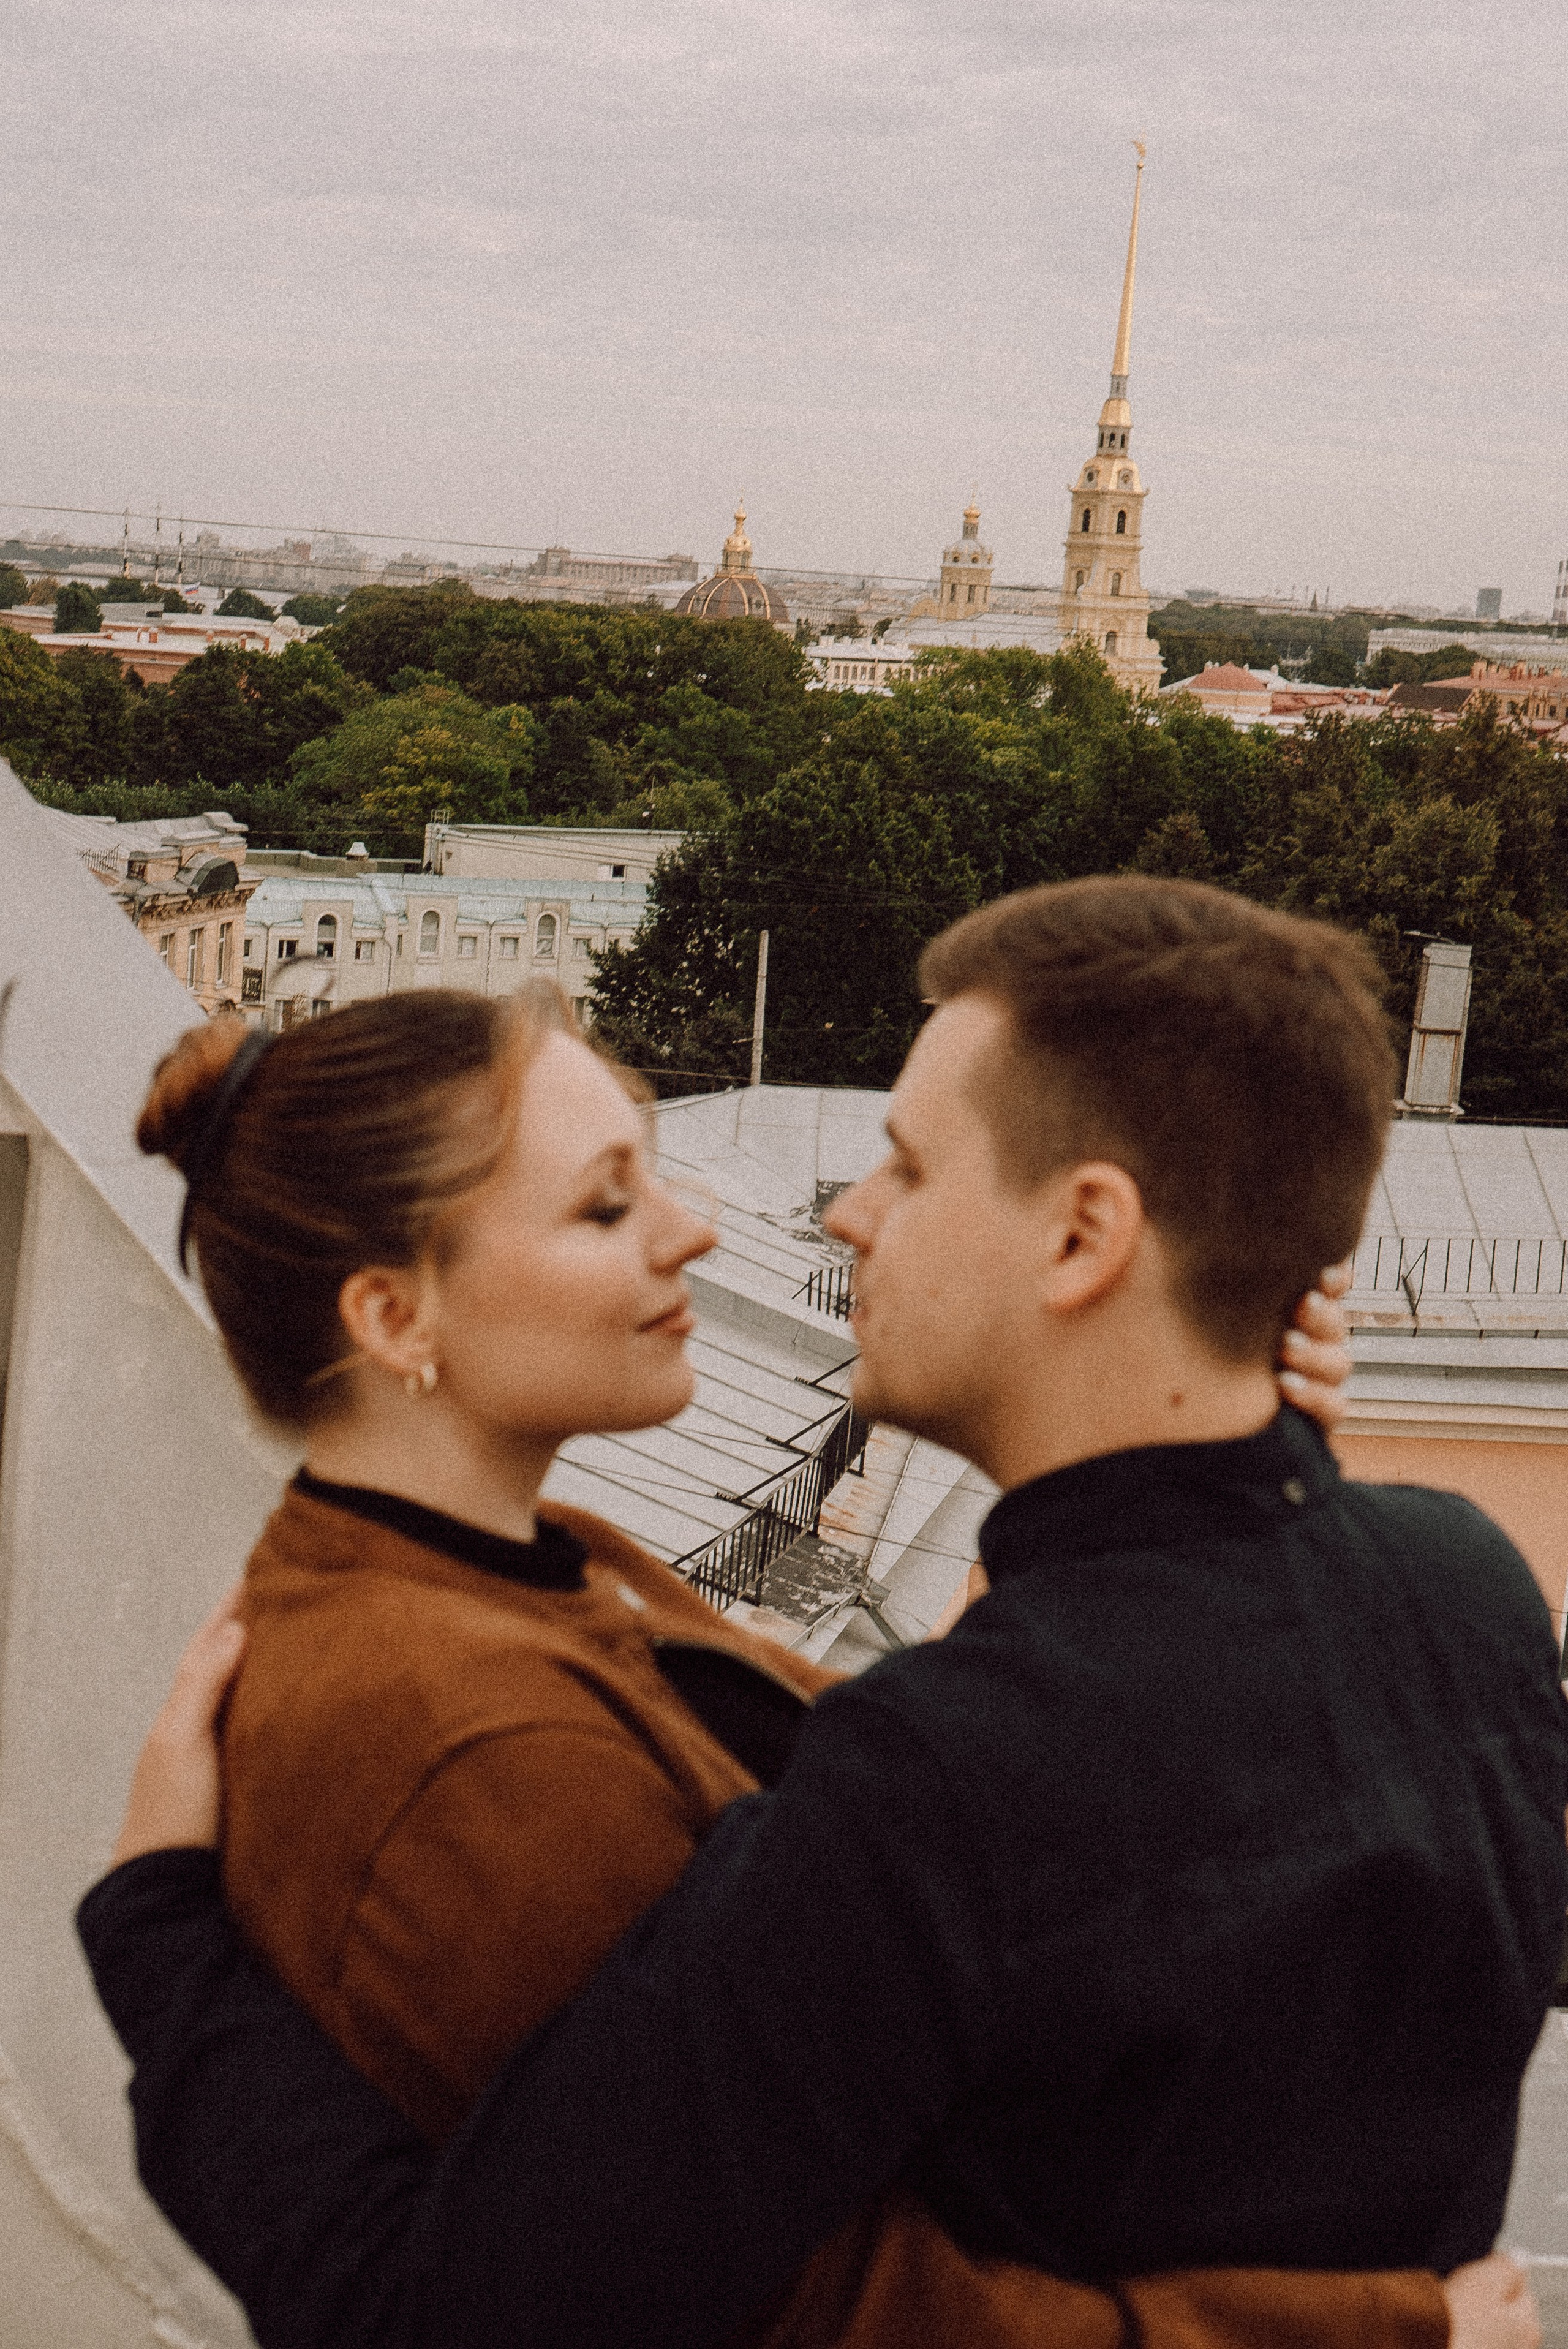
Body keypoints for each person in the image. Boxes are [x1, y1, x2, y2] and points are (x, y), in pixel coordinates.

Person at [78, 878, 1568, 2349]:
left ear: (1082, 1238)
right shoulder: (1464, 1583)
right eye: (608, 1201)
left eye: (908, 1168)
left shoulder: (914, 1755)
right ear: (390, 1315)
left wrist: (163, 1954)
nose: (824, 1215)